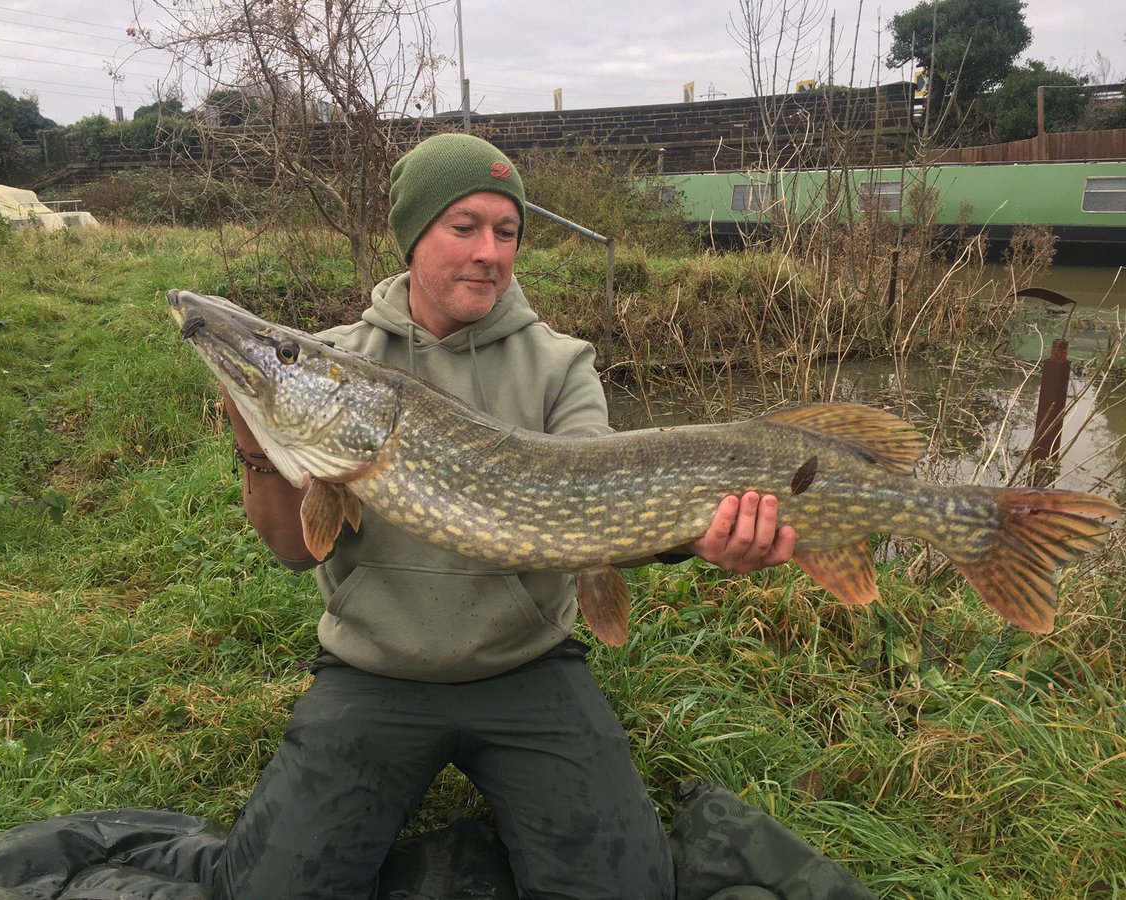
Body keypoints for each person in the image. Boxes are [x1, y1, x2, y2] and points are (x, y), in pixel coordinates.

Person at [214, 133, 796, 900]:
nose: (490, 251)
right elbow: (296, 550)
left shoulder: (561, 364)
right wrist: (261, 449)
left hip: (525, 665)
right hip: (373, 671)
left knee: (626, 889)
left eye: (507, 230)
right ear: (414, 236)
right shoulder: (335, 362)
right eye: (464, 227)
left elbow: (601, 504)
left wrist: (694, 539)